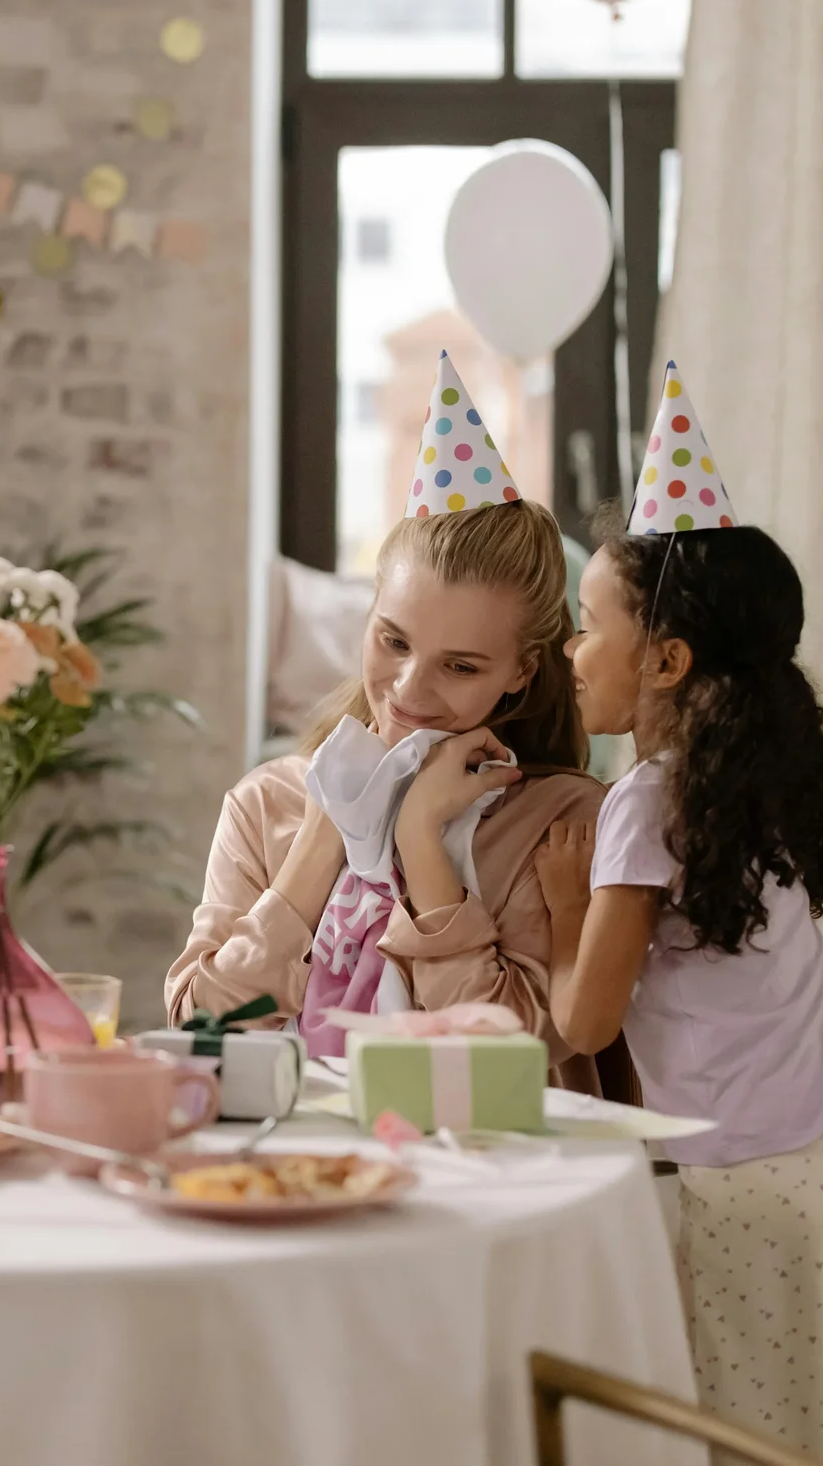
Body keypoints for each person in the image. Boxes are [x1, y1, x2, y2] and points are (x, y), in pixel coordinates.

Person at [535, 366, 823, 1465]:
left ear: (663, 658)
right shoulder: (764, 772)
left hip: (756, 1188)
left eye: (586, 626)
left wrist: (564, 909)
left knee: (754, 1450)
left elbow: (589, 1021)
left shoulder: (643, 800)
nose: (569, 650)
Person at [167, 356, 632, 1099]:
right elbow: (202, 1036)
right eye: (393, 641)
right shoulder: (267, 805)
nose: (410, 691)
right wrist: (322, 840)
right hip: (288, 1165)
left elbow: (513, 1059)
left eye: (461, 666)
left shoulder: (566, 820)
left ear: (521, 670)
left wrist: (421, 843)